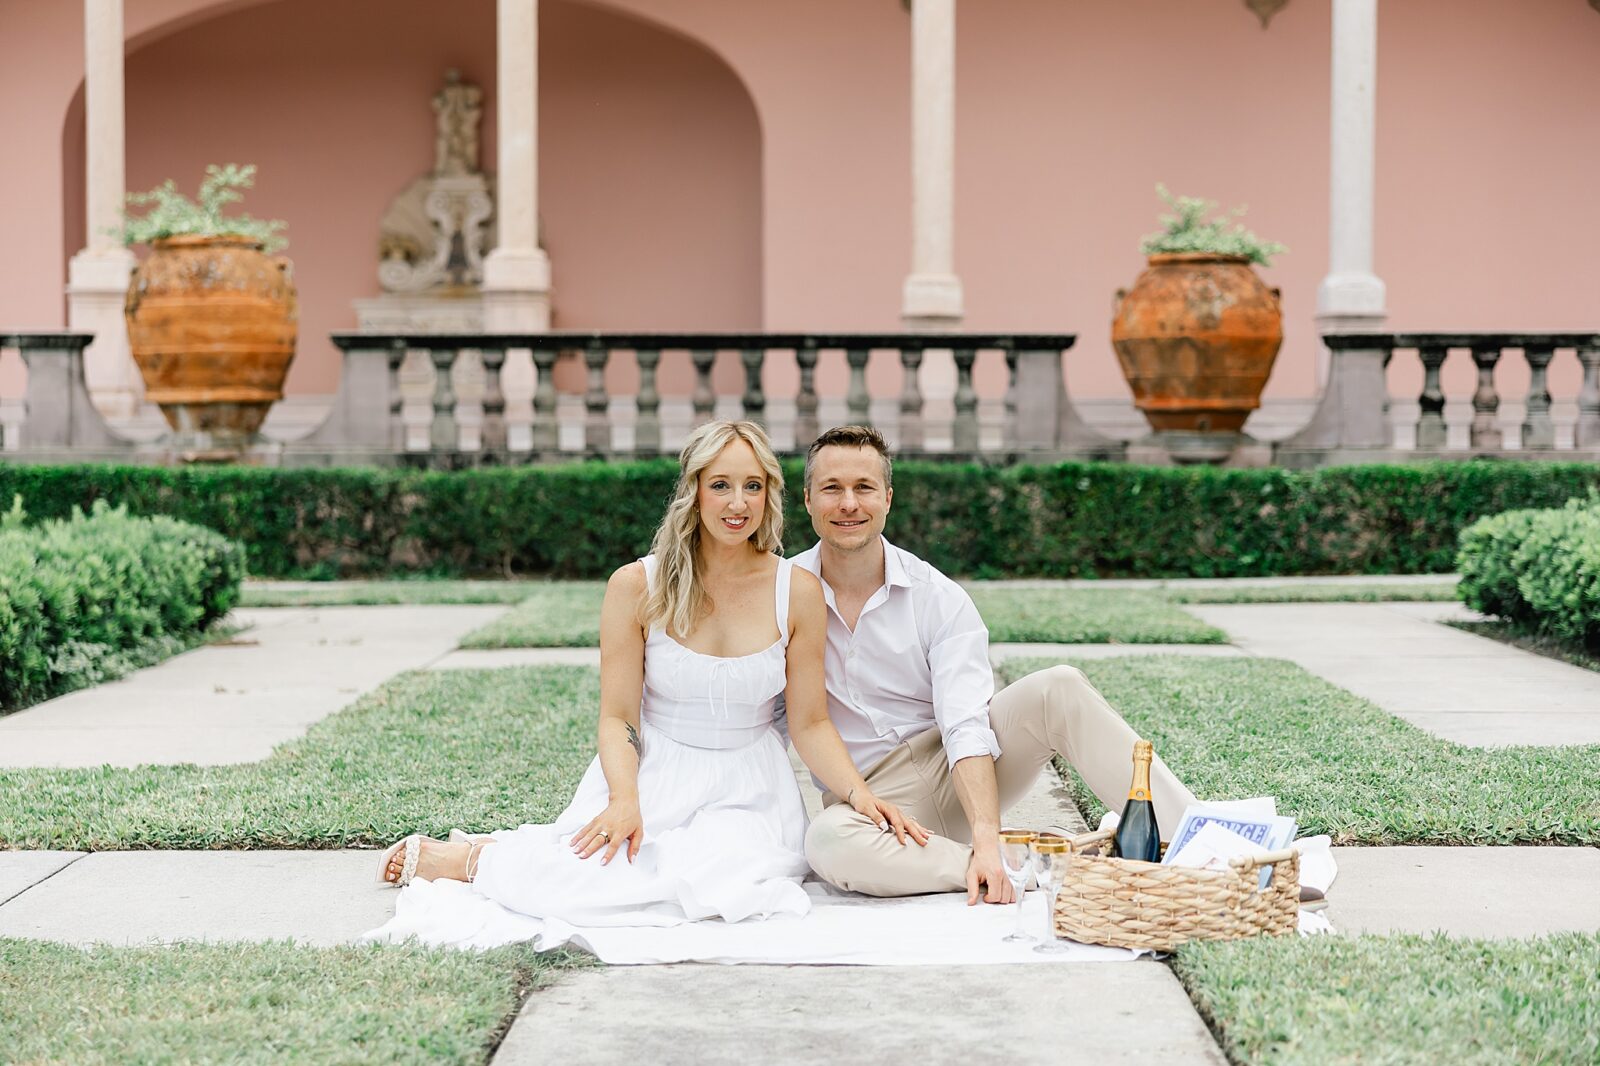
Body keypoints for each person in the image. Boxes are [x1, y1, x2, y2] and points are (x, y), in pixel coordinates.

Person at [365, 420, 921, 947]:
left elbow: (810, 722)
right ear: (694, 491)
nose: (737, 503)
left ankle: (513, 852)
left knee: (727, 890)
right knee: (601, 882)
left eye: (752, 486)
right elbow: (618, 717)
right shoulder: (636, 585)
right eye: (720, 485)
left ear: (770, 495)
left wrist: (861, 795)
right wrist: (625, 799)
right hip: (654, 770)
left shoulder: (796, 590)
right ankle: (472, 862)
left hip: (750, 786)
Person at [793, 425, 1199, 903]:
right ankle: (1006, 864)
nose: (848, 504)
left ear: (887, 497)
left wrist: (985, 829)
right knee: (826, 842)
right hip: (865, 801)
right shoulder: (784, 596)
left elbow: (964, 722)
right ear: (807, 500)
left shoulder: (937, 597)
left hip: (951, 768)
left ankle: (1207, 844)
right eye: (832, 489)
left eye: (863, 488)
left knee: (1059, 688)